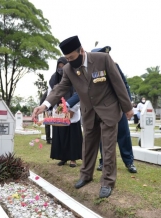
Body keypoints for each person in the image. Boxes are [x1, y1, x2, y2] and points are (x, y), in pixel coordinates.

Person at [32, 36, 133, 198]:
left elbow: (118, 83)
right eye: (67, 59)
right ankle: (85, 175)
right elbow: (59, 89)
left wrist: (127, 108)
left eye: (72, 57)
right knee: (88, 145)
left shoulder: (103, 59)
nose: (70, 61)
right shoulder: (68, 69)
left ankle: (107, 182)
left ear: (81, 50)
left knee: (107, 147)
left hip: (108, 109)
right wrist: (44, 105)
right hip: (89, 112)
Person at [66, 46, 137, 174]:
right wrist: (67, 104)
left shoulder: (114, 66)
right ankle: (103, 161)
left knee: (123, 134)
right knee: (102, 137)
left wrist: (127, 106)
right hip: (101, 110)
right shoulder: (85, 71)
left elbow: (123, 85)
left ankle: (129, 161)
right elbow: (81, 93)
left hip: (118, 107)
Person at [48, 57, 82, 167]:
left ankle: (73, 159)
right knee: (60, 135)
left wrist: (72, 109)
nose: (61, 69)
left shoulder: (74, 76)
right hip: (59, 111)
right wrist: (53, 108)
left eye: (63, 67)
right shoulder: (53, 78)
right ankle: (63, 157)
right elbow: (51, 94)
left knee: (72, 136)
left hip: (72, 111)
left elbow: (79, 94)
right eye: (59, 67)